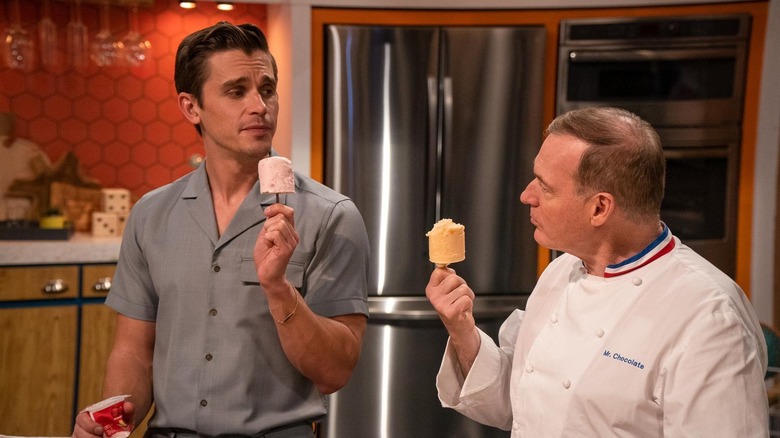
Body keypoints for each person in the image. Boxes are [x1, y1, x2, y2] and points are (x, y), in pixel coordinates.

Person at [71, 22, 369, 438]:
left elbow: (335, 371)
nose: (259, 106)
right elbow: (135, 352)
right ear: (191, 107)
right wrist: (110, 422)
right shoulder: (151, 215)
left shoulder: (332, 216)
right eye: (236, 91)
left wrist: (278, 288)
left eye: (267, 89)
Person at [426, 106, 769, 436]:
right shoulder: (560, 272)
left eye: (545, 187)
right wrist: (462, 330)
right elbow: (518, 403)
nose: (526, 196)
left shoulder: (708, 318)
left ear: (600, 208)